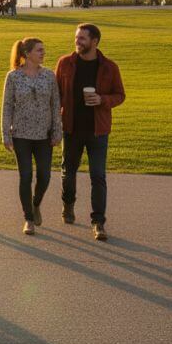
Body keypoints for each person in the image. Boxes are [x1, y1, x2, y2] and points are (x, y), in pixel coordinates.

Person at [55, 23, 125, 242]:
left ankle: (98, 222)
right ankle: (68, 204)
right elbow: (56, 95)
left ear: (94, 42)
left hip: (98, 130)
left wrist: (102, 100)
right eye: (76, 38)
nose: (77, 41)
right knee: (69, 171)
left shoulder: (109, 67)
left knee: (98, 176)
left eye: (82, 38)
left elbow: (120, 95)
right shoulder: (65, 63)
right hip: (71, 128)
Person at [1, 38, 62, 236]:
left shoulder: (49, 76)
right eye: (39, 50)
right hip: (21, 134)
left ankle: (36, 204)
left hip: (44, 135)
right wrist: (6, 134)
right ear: (27, 53)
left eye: (43, 50)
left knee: (45, 176)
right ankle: (28, 218)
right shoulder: (13, 77)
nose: (43, 53)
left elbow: (55, 105)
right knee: (25, 176)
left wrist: (57, 131)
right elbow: (7, 106)